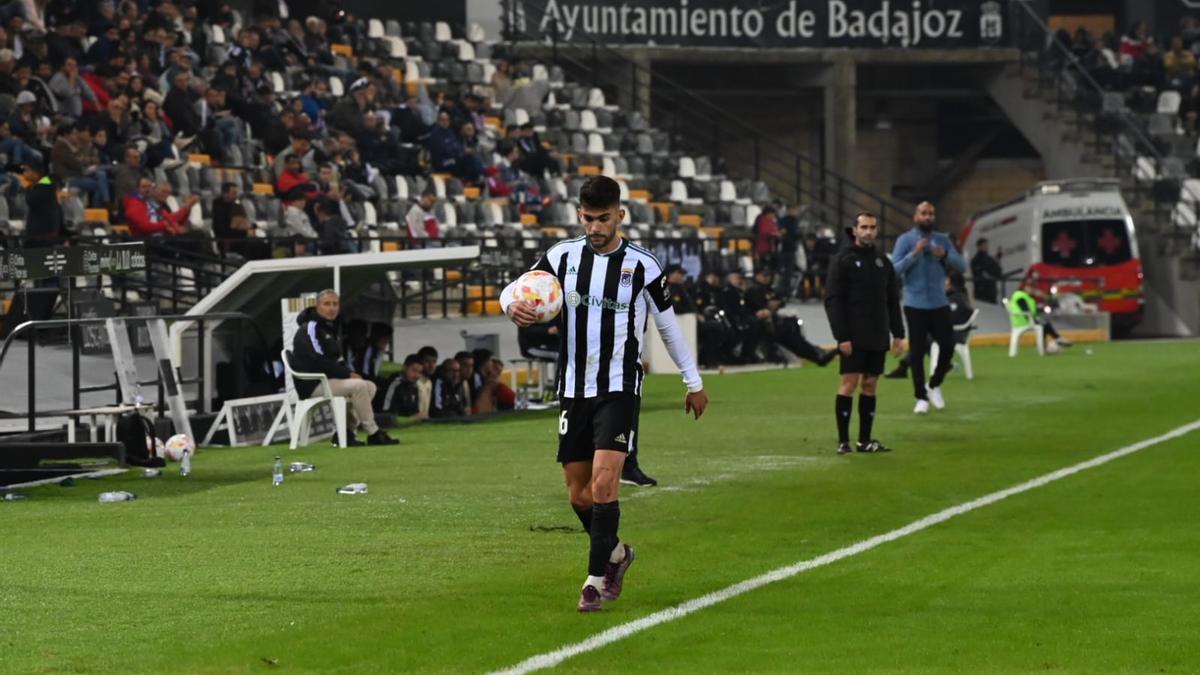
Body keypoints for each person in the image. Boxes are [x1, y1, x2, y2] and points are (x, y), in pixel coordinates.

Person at [500, 175, 709, 612]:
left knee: (605, 481)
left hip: (619, 386)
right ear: (580, 215)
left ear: (620, 215)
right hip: (574, 387)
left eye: (604, 219)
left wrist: (694, 381)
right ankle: (616, 553)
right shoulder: (562, 255)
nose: (596, 227)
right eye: (589, 219)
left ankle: (595, 581)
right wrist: (511, 306)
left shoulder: (644, 265)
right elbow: (517, 287)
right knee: (579, 495)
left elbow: (668, 326)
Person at [825, 212, 905, 454]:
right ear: (855, 230)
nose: (868, 231)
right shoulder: (843, 260)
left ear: (876, 231)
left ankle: (864, 440)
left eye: (872, 227)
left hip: (878, 334)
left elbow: (892, 300)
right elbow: (833, 300)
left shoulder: (883, 262)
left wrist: (898, 334)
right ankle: (843, 442)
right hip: (853, 335)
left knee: (870, 384)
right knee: (848, 384)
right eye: (864, 227)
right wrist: (842, 336)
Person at [290, 289, 398, 446]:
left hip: (328, 381)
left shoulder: (330, 329)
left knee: (370, 386)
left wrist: (350, 373)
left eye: (335, 304)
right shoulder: (310, 328)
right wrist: (347, 374)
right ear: (317, 306)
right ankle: (373, 432)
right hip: (312, 383)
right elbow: (317, 360)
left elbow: (336, 360)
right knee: (359, 386)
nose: (332, 308)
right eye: (327, 304)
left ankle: (345, 433)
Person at [890, 201, 966, 414]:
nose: (927, 217)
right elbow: (894, 270)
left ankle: (934, 384)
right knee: (916, 352)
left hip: (939, 303)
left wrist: (945, 255)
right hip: (915, 304)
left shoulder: (943, 240)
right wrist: (914, 253)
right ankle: (920, 397)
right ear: (916, 216)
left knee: (948, 346)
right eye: (923, 213)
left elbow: (962, 266)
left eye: (931, 214)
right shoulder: (905, 240)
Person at [745, 267, 837, 366]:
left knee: (794, 336)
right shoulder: (754, 290)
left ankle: (817, 354)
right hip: (763, 325)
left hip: (773, 322)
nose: (767, 278)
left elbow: (778, 301)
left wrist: (776, 304)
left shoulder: (767, 289)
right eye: (764, 275)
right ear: (757, 276)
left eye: (768, 275)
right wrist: (771, 306)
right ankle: (817, 355)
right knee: (792, 338)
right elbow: (761, 308)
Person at [1009, 279, 1070, 351]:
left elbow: (1032, 310)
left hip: (1025, 319)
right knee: (1044, 325)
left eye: (1033, 288)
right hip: (1022, 320)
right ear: (1024, 287)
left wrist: (1041, 309)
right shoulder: (1020, 296)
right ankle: (1052, 341)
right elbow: (1025, 309)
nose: (1031, 289)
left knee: (1045, 324)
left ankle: (1049, 344)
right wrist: (1034, 319)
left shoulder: (1027, 297)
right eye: (1030, 287)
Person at [20, 159, 64, 248]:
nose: (24, 173)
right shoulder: (43, 184)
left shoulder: (45, 185)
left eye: (27, 170)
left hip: (42, 235)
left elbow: (31, 200)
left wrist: (28, 188)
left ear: (35, 171)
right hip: (41, 233)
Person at [970, 237, 1003, 304]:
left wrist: (997, 260)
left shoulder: (989, 258)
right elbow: (980, 273)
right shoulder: (976, 260)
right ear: (979, 246)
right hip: (981, 291)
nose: (986, 247)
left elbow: (997, 271)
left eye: (987, 245)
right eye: (984, 245)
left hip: (991, 291)